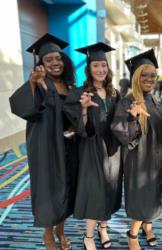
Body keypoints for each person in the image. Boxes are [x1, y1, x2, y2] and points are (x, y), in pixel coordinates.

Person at [9, 33, 78, 250]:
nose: (55, 63)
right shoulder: (38, 82)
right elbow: (20, 106)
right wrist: (32, 83)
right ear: (41, 63)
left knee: (66, 188)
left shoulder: (68, 84)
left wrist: (75, 126)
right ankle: (48, 236)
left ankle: (61, 231)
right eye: (49, 60)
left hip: (67, 146)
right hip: (45, 146)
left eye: (58, 59)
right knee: (49, 191)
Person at [111, 49, 162, 250]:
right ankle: (133, 234)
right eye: (144, 75)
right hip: (138, 160)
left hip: (158, 158)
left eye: (153, 75)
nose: (149, 79)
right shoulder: (127, 102)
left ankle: (148, 226)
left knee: (155, 195)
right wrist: (132, 118)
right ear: (135, 77)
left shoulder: (159, 101)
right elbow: (120, 133)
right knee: (142, 197)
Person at [63, 42, 122, 250]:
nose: (100, 70)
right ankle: (88, 235)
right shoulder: (79, 93)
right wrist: (84, 109)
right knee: (94, 190)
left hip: (113, 148)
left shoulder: (114, 93)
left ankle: (103, 228)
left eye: (103, 66)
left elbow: (120, 120)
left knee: (111, 189)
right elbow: (78, 128)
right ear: (89, 69)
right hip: (90, 148)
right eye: (96, 65)